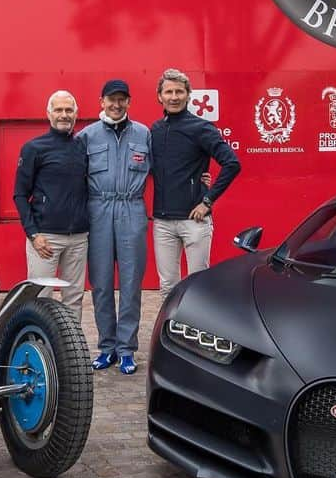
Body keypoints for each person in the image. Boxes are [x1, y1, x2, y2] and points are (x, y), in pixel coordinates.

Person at [77, 79, 151, 374]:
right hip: (98, 209)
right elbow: (72, 177)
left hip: (132, 207)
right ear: (101, 101)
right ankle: (107, 347)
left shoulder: (144, 134)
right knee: (102, 283)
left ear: (129, 102)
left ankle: (127, 349)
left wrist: (200, 184)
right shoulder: (87, 136)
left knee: (132, 282)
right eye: (111, 99)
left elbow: (168, 169)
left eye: (122, 99)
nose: (117, 104)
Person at [150, 68, 241, 301]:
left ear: (188, 95)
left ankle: (194, 336)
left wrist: (207, 201)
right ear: (159, 96)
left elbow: (232, 163)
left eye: (179, 91)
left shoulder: (201, 128)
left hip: (195, 221)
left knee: (198, 288)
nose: (174, 97)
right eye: (168, 91)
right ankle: (168, 333)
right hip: (162, 222)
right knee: (167, 287)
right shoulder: (155, 130)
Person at [13, 91, 89, 314]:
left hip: (78, 238)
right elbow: (19, 195)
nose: (64, 115)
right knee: (40, 297)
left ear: (76, 113)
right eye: (58, 110)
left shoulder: (83, 147)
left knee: (74, 298)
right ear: (49, 114)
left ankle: (70, 348)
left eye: (68, 110)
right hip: (45, 239)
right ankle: (40, 345)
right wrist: (33, 234)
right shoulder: (34, 148)